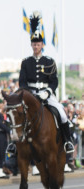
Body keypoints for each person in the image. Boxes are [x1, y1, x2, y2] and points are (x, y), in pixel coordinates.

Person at [14, 12, 74, 155]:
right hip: (31, 94)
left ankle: (67, 141)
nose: (36, 46)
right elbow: (22, 82)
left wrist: (47, 92)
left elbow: (54, 81)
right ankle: (14, 144)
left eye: (38, 44)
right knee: (17, 114)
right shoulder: (26, 62)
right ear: (31, 45)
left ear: (42, 45)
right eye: (34, 44)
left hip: (46, 94)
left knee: (61, 112)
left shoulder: (49, 61)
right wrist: (29, 93)